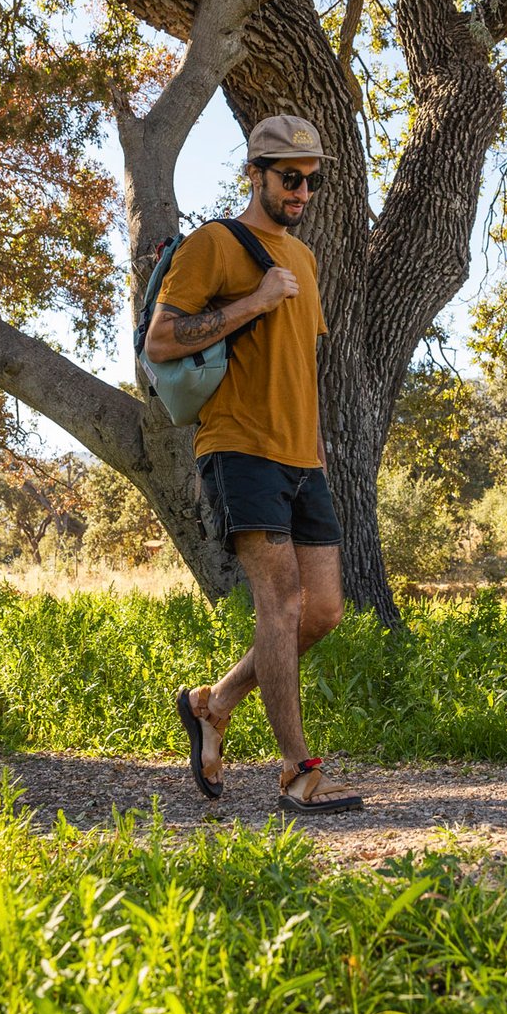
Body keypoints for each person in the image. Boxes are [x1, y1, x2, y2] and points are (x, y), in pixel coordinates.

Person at [143, 114, 363, 814]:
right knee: (282, 603)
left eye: (310, 180)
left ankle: (214, 703)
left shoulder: (305, 260)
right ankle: (299, 772)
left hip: (304, 457)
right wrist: (256, 300)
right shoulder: (215, 244)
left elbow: (301, 360)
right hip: (239, 447)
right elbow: (164, 338)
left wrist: (320, 440)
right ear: (256, 174)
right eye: (288, 178)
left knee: (322, 611)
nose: (301, 192)